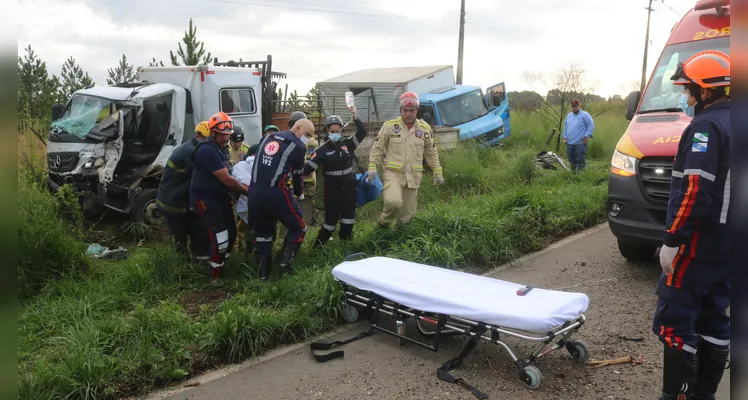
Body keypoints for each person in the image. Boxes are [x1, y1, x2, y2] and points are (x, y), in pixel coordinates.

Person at [652, 50, 731, 400]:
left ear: (705, 91)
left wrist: (673, 238)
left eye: (688, 90)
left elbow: (696, 189)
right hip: (731, 250)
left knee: (675, 322)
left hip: (697, 247)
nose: (685, 97)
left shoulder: (705, 127)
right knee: (715, 320)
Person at [246, 118, 314, 280]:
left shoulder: (268, 138)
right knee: (299, 226)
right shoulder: (298, 147)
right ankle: (284, 266)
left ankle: (263, 275)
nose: (307, 138)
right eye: (307, 134)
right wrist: (299, 193)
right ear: (297, 127)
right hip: (277, 193)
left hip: (254, 192)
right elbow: (298, 175)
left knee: (263, 234)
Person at [367, 91, 444, 228]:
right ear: (401, 110)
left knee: (407, 216)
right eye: (405, 110)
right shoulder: (390, 126)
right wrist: (372, 166)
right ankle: (383, 226)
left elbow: (431, 151)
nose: (408, 113)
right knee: (393, 202)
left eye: (412, 110)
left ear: (417, 110)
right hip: (393, 173)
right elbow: (377, 147)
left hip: (413, 176)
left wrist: (437, 171)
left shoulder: (424, 128)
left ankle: (400, 237)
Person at [190, 111, 250, 281]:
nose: (226, 139)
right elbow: (227, 180)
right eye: (222, 135)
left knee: (231, 232)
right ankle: (215, 276)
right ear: (213, 133)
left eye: (228, 136)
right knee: (220, 236)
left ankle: (224, 264)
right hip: (206, 199)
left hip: (219, 197)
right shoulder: (207, 151)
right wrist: (248, 192)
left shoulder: (221, 149)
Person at [303, 107, 367, 246]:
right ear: (327, 131)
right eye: (332, 131)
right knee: (330, 222)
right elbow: (307, 169)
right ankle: (318, 247)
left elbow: (362, 132)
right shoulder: (321, 151)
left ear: (342, 131)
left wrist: (355, 117)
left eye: (338, 131)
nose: (335, 134)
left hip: (349, 188)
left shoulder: (348, 144)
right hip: (332, 190)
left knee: (348, 219)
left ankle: (345, 246)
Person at [156, 121, 211, 261]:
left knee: (190, 231)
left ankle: (191, 260)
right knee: (182, 235)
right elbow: (203, 177)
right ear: (198, 135)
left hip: (177, 199)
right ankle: (183, 266)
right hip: (173, 202)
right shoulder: (191, 152)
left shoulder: (193, 147)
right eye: (207, 138)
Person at [279, 127, 319, 240]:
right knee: (290, 214)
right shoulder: (287, 141)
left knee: (301, 216)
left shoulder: (310, 143)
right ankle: (286, 241)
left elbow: (310, 161)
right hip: (291, 185)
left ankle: (294, 242)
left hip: (306, 185)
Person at [561, 99, 595, 172]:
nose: (574, 108)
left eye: (576, 106)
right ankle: (573, 173)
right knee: (571, 159)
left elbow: (590, 125)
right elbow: (566, 126)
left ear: (579, 106)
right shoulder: (569, 116)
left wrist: (587, 135)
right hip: (569, 142)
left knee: (580, 160)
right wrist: (565, 137)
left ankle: (580, 176)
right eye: (573, 107)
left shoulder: (585, 115)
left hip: (581, 142)